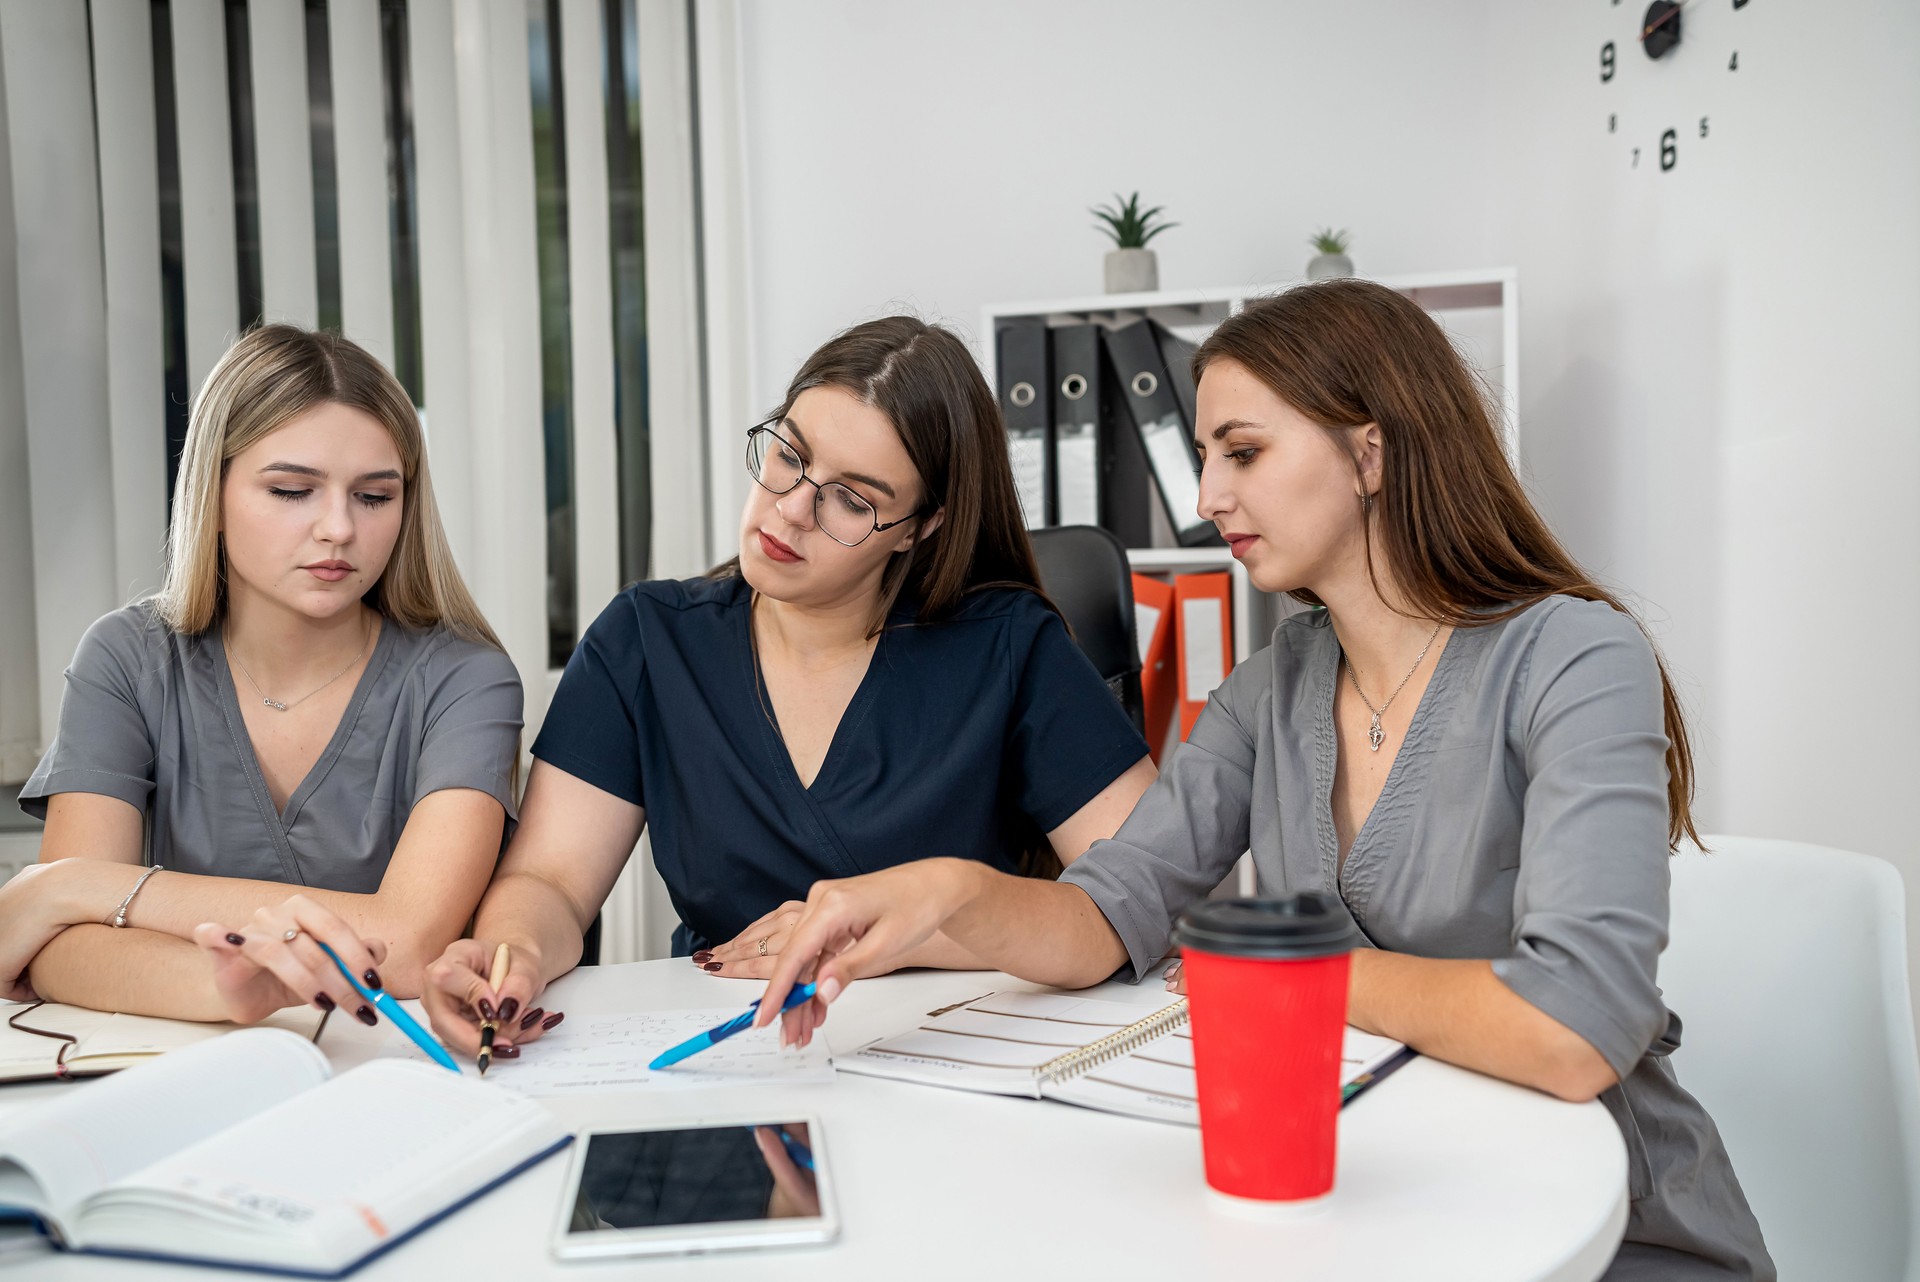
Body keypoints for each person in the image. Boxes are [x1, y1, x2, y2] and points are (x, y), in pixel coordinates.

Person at [753, 281, 1774, 1279]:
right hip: (1388, 1210)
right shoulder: (1267, 691)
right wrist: (951, 892)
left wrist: (1279, 982)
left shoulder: (1574, 658)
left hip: (1608, 1230)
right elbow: (1114, 914)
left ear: (1369, 451)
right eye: (1204, 456)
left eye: (1242, 452)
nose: (1207, 498)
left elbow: (1576, 1025)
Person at [404, 315, 1154, 1059]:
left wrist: (908, 935)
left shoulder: (1009, 646)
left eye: (852, 500)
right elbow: (551, 880)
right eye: (789, 456)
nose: (791, 509)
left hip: (950, 1052)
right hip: (725, 1049)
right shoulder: (647, 641)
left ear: (919, 528)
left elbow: (1140, 903)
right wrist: (512, 954)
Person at [3, 325, 521, 1024]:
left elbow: (403, 944)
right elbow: (58, 951)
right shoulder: (125, 659)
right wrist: (233, 989)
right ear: (211, 497)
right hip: (190, 1073)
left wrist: (77, 887)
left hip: (398, 1072)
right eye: (291, 490)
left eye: (374, 497)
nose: (338, 527)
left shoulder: (466, 678)